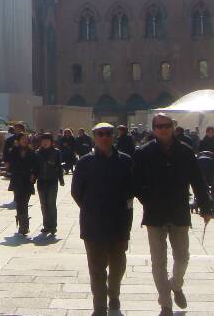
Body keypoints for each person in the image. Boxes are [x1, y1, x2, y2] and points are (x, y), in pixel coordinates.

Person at [132, 113, 212, 316]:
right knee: (158, 262)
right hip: (155, 214)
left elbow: (197, 180)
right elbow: (136, 182)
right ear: (154, 129)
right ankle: (165, 304)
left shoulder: (185, 151)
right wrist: (147, 200)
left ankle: (176, 285)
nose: (163, 129)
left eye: (167, 125)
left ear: (173, 127)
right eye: (159, 126)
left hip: (179, 211)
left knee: (182, 257)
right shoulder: (144, 152)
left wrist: (205, 206)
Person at [71, 122, 134, 315]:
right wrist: (91, 208)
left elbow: (130, 193)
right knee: (97, 268)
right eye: (100, 134)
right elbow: (76, 192)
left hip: (118, 222)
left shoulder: (125, 161)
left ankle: (113, 294)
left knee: (118, 265)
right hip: (93, 223)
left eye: (108, 133)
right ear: (94, 137)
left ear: (113, 136)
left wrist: (127, 224)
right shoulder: (85, 162)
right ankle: (99, 306)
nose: (104, 137)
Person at [7, 134, 39, 234]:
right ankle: (23, 226)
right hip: (17, 180)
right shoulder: (13, 151)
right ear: (18, 141)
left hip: (27, 181)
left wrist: (34, 175)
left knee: (24, 202)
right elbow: (9, 163)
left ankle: (23, 225)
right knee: (19, 202)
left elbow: (36, 166)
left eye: (26, 139)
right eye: (22, 139)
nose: (25, 141)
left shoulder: (32, 152)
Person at [35, 133, 66, 235]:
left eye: (47, 141)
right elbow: (35, 168)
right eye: (43, 141)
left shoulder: (56, 152)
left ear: (51, 142)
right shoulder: (37, 153)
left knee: (51, 204)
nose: (45, 143)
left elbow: (59, 166)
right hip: (41, 181)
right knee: (43, 204)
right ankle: (46, 225)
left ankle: (53, 226)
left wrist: (61, 179)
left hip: (52, 181)